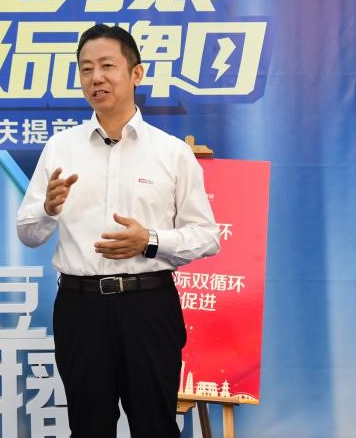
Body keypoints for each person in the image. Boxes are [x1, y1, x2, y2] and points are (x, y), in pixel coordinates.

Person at [16, 24, 221, 438]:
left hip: (148, 306)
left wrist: (150, 241)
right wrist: (48, 208)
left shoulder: (171, 152)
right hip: (80, 308)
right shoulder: (61, 148)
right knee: (88, 427)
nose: (96, 78)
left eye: (107, 66)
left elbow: (206, 236)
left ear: (136, 73)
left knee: (155, 426)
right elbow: (28, 233)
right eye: (86, 68)